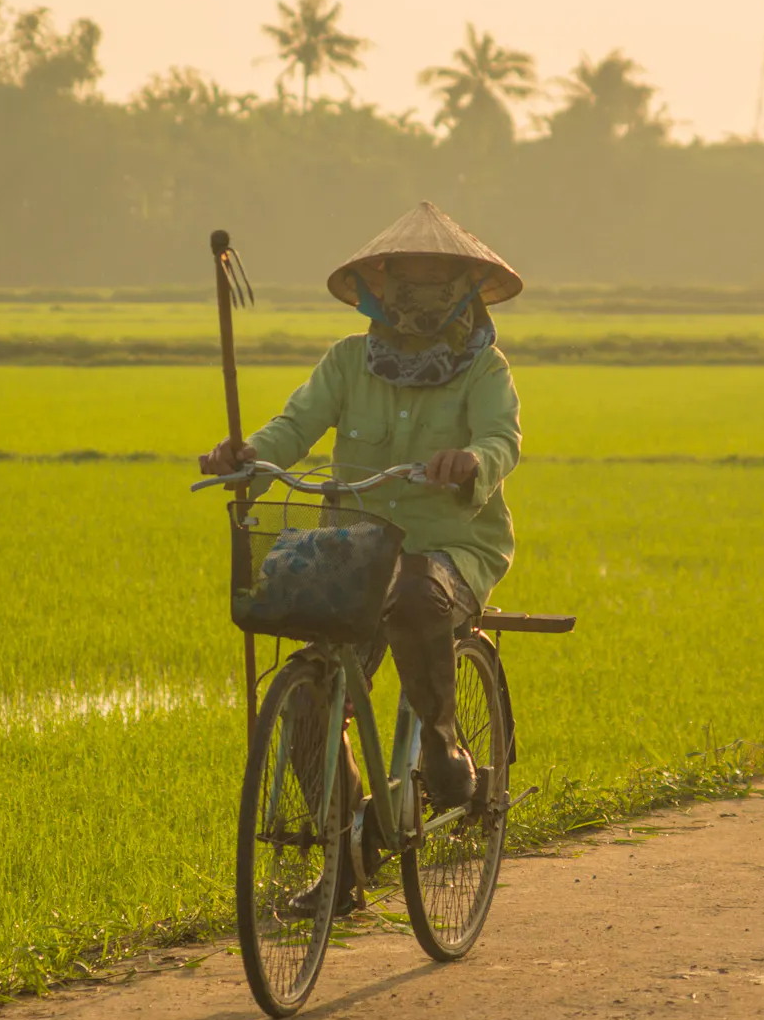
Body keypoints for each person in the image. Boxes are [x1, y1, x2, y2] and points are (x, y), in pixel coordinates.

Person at [201, 201, 523, 823]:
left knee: (414, 596)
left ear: (463, 290)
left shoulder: (484, 366)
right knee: (308, 703)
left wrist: (470, 461)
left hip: (450, 547)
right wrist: (248, 455)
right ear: (381, 287)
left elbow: (501, 440)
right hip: (356, 546)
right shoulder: (348, 361)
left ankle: (439, 737)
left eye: (437, 282)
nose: (420, 296)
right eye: (407, 281)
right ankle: (344, 853)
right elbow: (295, 425)